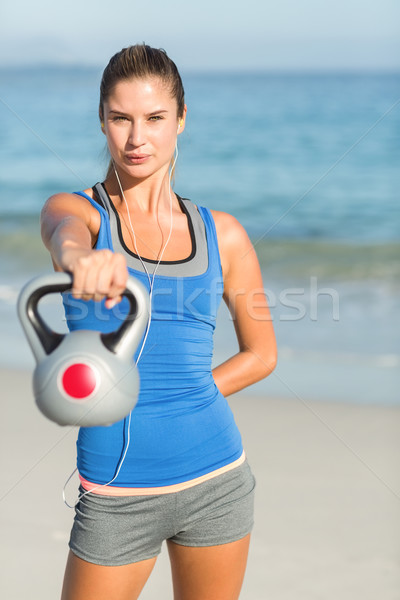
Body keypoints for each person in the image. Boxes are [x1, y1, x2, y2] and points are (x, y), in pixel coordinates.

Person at [40, 44, 277, 600]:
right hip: (116, 494)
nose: (136, 137)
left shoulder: (225, 234)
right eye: (120, 118)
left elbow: (261, 354)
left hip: (217, 480)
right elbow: (61, 234)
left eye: (154, 118)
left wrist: (188, 393)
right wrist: (80, 261)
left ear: (181, 121)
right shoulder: (82, 214)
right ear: (102, 120)